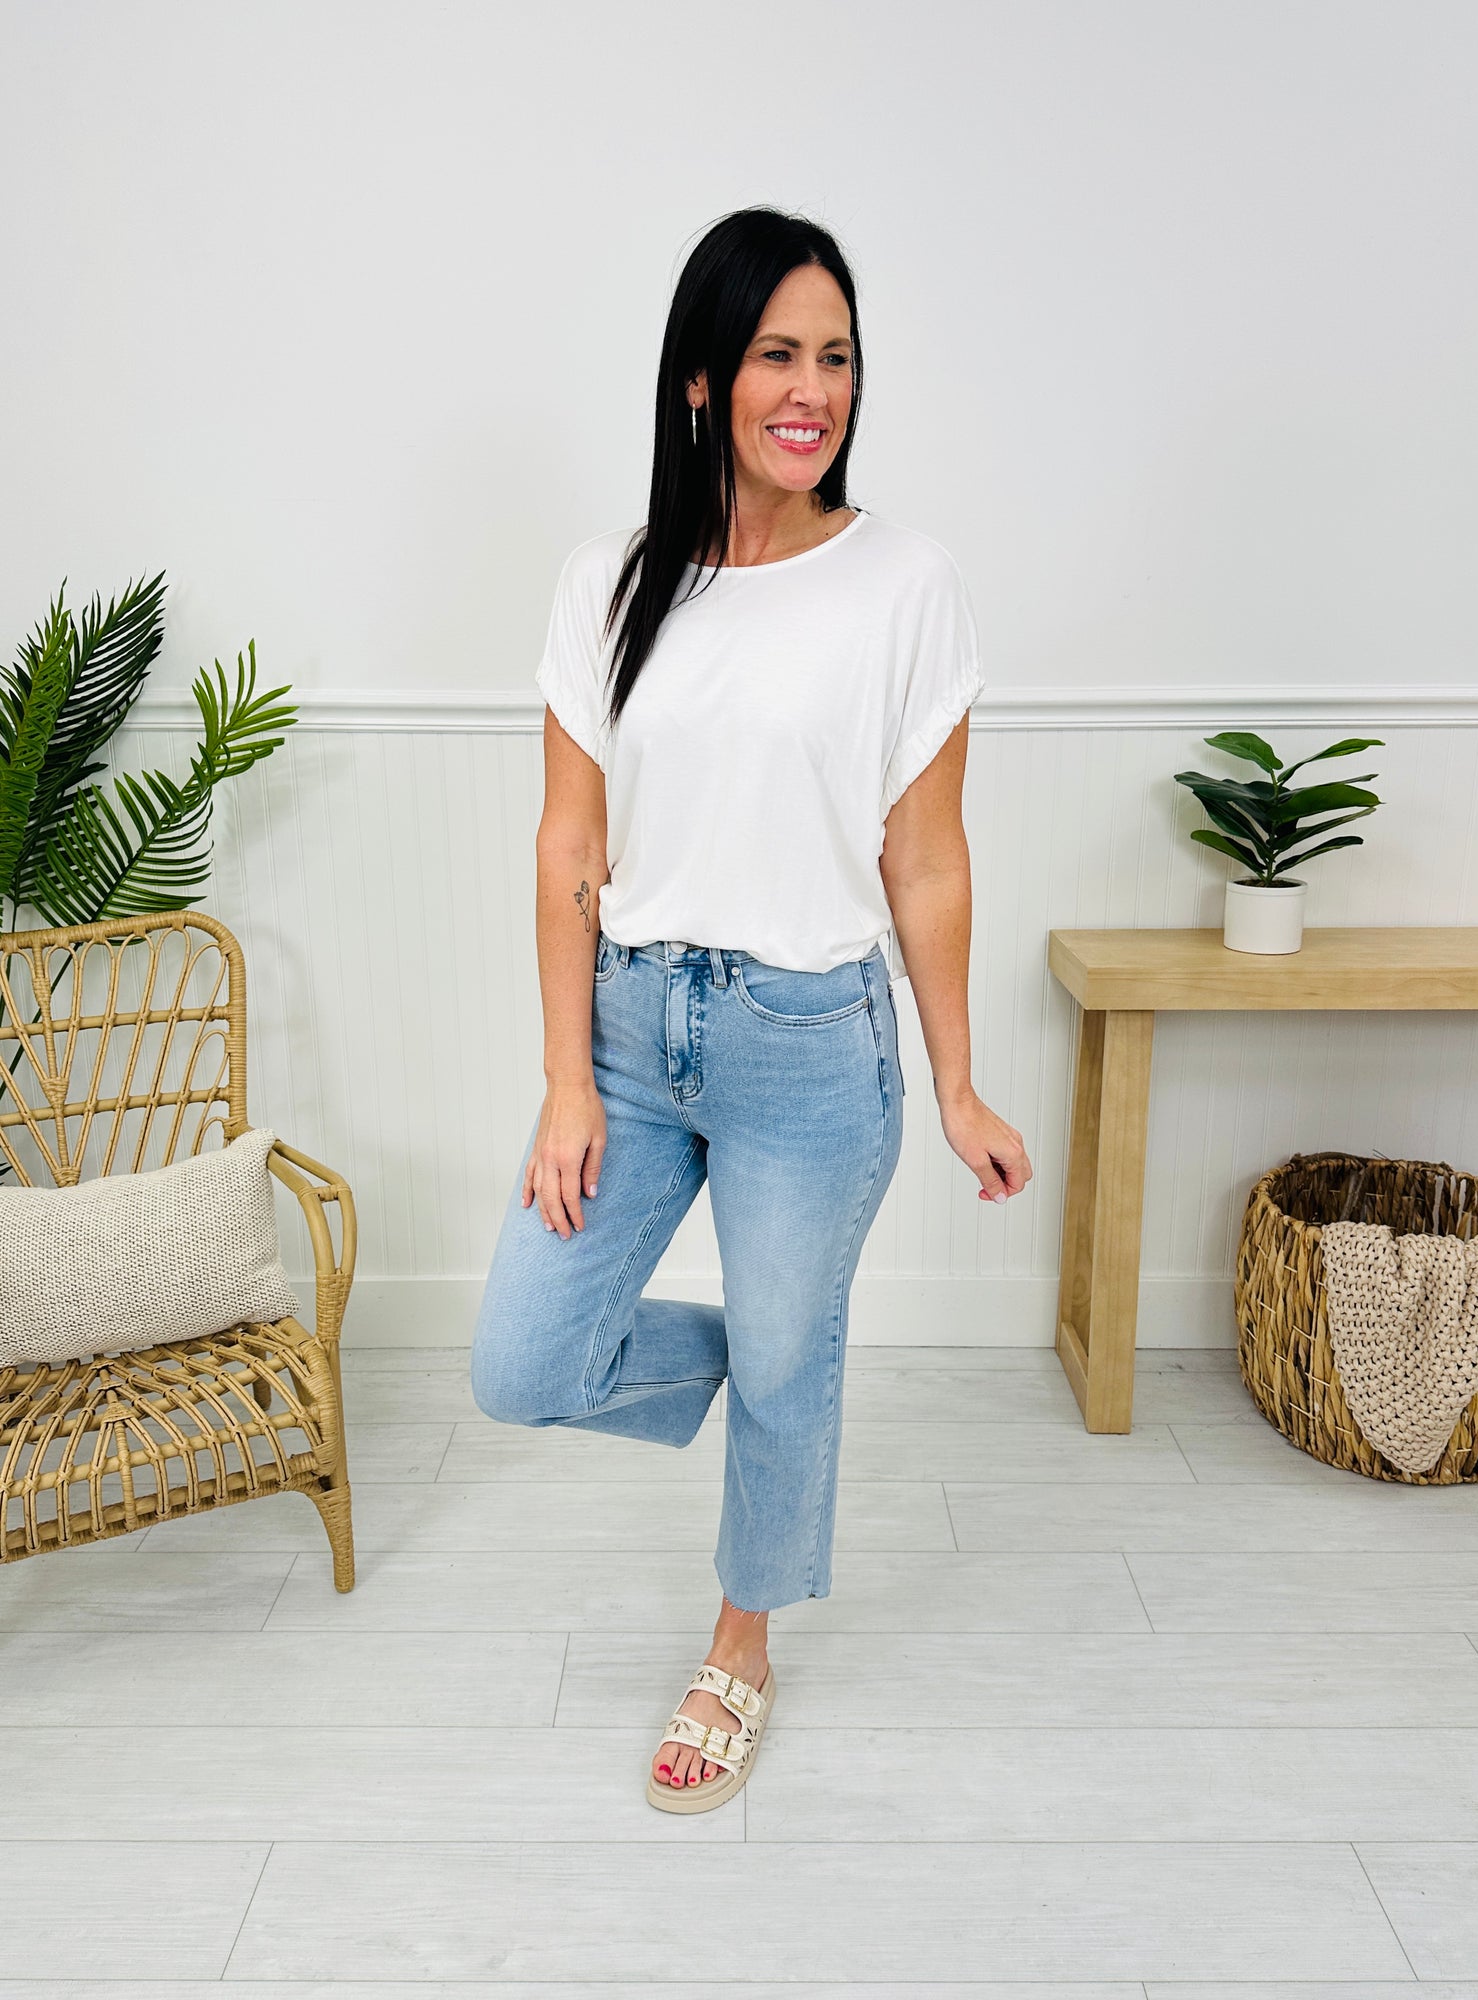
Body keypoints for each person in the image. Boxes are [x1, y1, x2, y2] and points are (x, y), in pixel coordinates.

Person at [470, 205, 1033, 1814]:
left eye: (836, 356)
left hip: (811, 1049)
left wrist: (959, 1083)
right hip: (634, 1035)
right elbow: (569, 848)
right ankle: (780, 1365)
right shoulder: (612, 581)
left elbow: (926, 860)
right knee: (525, 1360)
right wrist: (567, 1080)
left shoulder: (906, 585)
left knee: (795, 1357)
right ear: (704, 378)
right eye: (778, 354)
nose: (813, 390)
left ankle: (740, 1646)